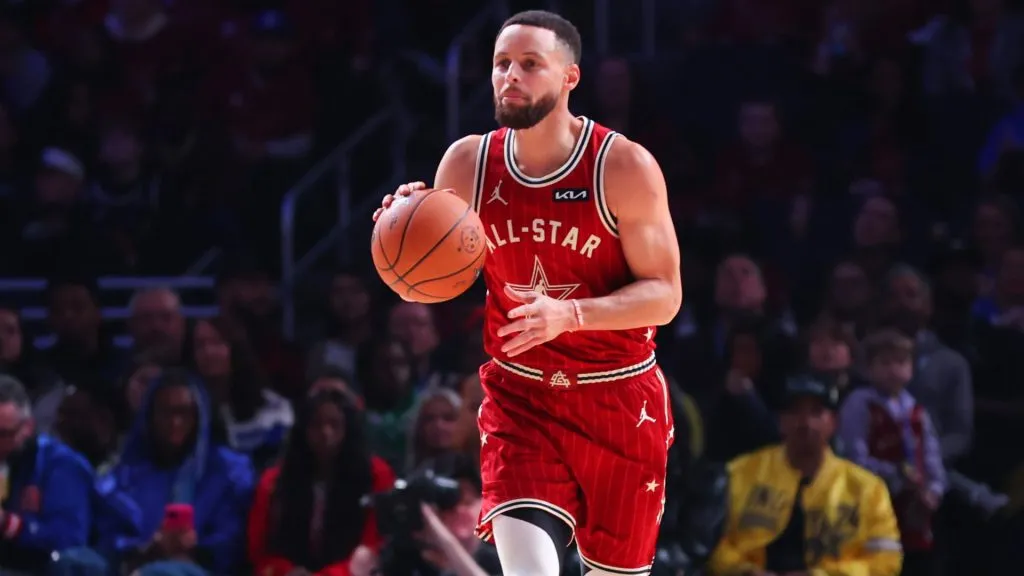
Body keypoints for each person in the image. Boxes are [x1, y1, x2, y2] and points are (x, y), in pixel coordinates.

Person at [374, 10, 682, 575]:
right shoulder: (468, 162)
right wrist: (410, 226)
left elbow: (665, 295)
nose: (509, 76)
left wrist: (571, 314)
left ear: (570, 77)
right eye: (500, 64)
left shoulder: (623, 166)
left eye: (530, 64)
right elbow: (442, 277)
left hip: (618, 398)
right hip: (523, 397)